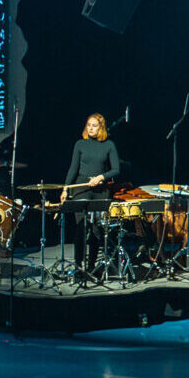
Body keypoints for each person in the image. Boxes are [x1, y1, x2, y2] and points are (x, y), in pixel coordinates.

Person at [58, 113, 121, 273]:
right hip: (81, 188)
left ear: (101, 128)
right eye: (88, 125)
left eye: (94, 125)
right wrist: (66, 188)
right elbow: (73, 168)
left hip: (100, 191)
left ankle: (92, 265)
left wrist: (101, 177)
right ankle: (79, 265)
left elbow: (116, 169)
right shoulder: (80, 144)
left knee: (96, 229)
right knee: (81, 226)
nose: (91, 128)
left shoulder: (109, 145)